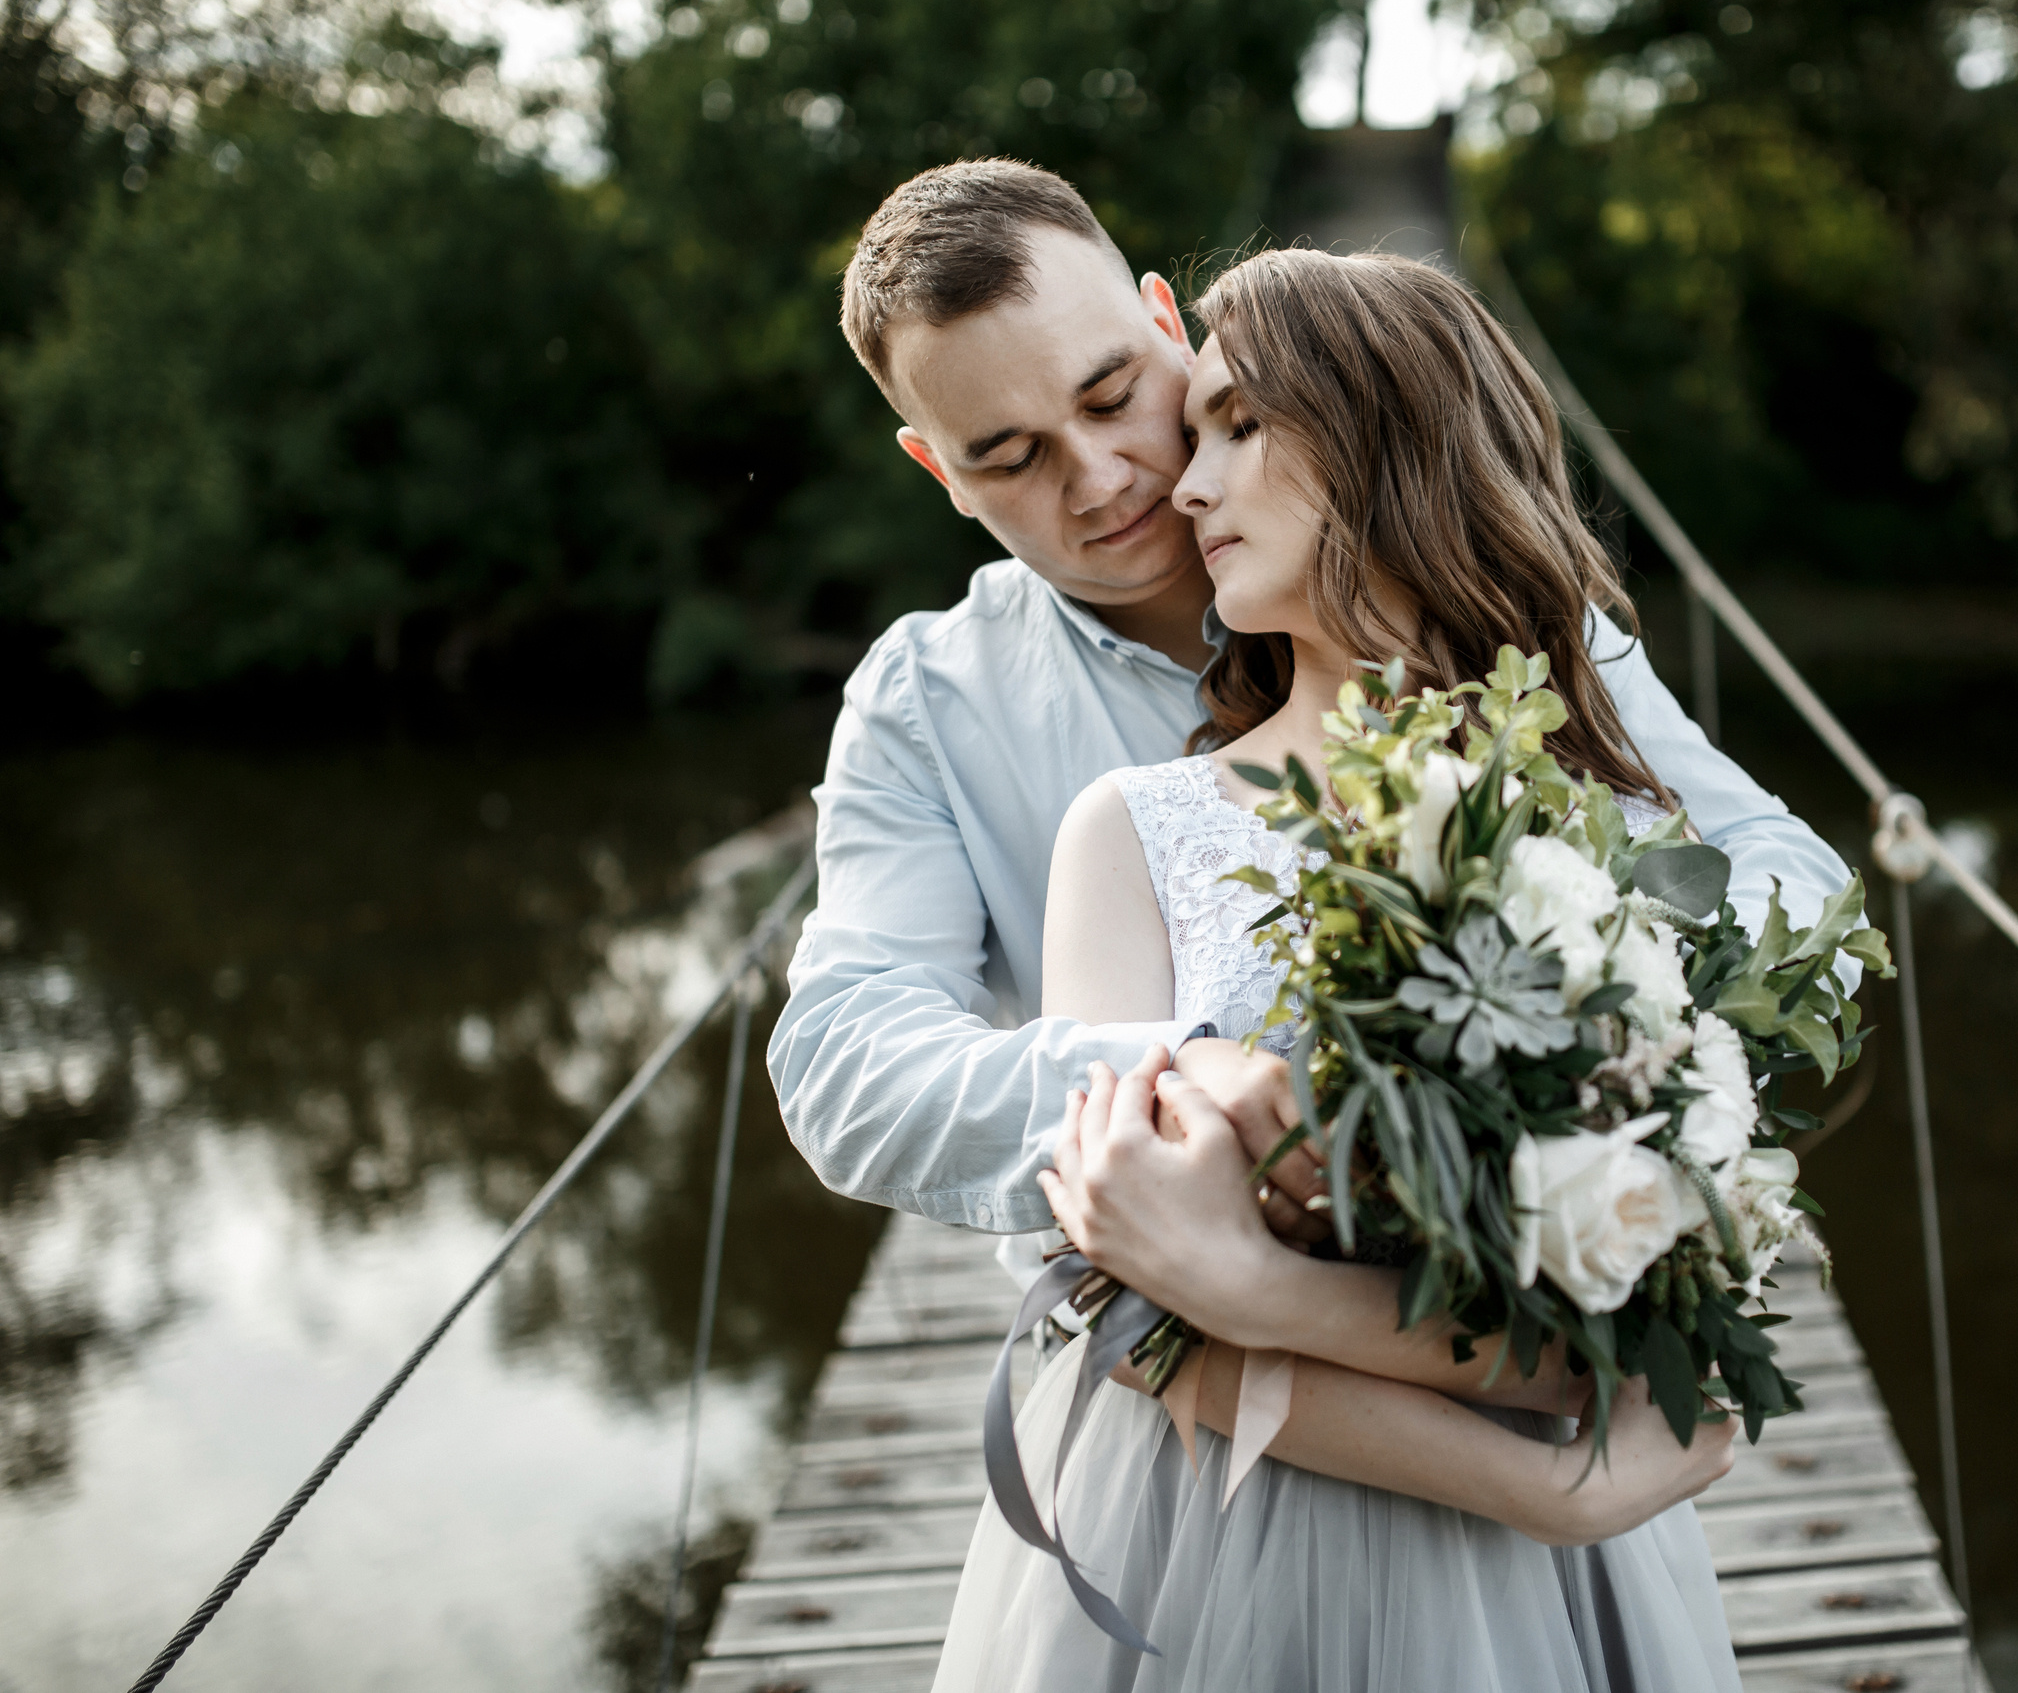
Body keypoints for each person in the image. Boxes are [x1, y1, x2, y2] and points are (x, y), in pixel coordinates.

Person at [933, 247, 1765, 1692]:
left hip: (1542, 1590)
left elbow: (1660, 1321)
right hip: (1209, 1533)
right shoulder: (1134, 832)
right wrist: (1549, 1484)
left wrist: (1253, 1289)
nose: (1185, 487)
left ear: (1390, 437)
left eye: (1238, 427)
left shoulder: (1614, 829)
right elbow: (1125, 1311)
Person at [768, 157, 1851, 1246]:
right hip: (1168, 1299)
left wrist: (1584, 1043)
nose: (1100, 480)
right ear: (941, 475)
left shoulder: (1485, 600)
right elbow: (843, 1067)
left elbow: (1777, 869)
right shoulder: (925, 702)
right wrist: (1172, 1078)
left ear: (1167, 327)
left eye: (1112, 398)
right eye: (1010, 459)